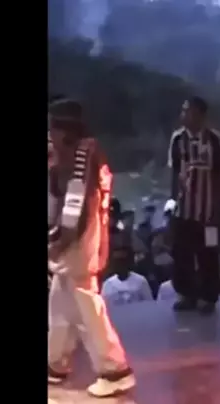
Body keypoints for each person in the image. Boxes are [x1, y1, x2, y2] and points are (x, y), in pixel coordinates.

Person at [47, 99, 135, 397]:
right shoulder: (78, 152)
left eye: (53, 127)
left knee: (87, 305)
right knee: (60, 300)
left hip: (81, 241)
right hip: (77, 238)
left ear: (66, 130)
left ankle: (115, 370)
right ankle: (55, 363)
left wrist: (58, 241)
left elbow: (76, 207)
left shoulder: (82, 155)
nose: (50, 134)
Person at [168, 96, 220, 313]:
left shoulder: (214, 140)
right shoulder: (177, 139)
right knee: (182, 254)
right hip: (184, 210)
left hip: (209, 212)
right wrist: (173, 202)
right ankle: (187, 295)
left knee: (208, 254)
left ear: (201, 115)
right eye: (183, 110)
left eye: (189, 111)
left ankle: (208, 297)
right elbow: (174, 173)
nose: (184, 115)